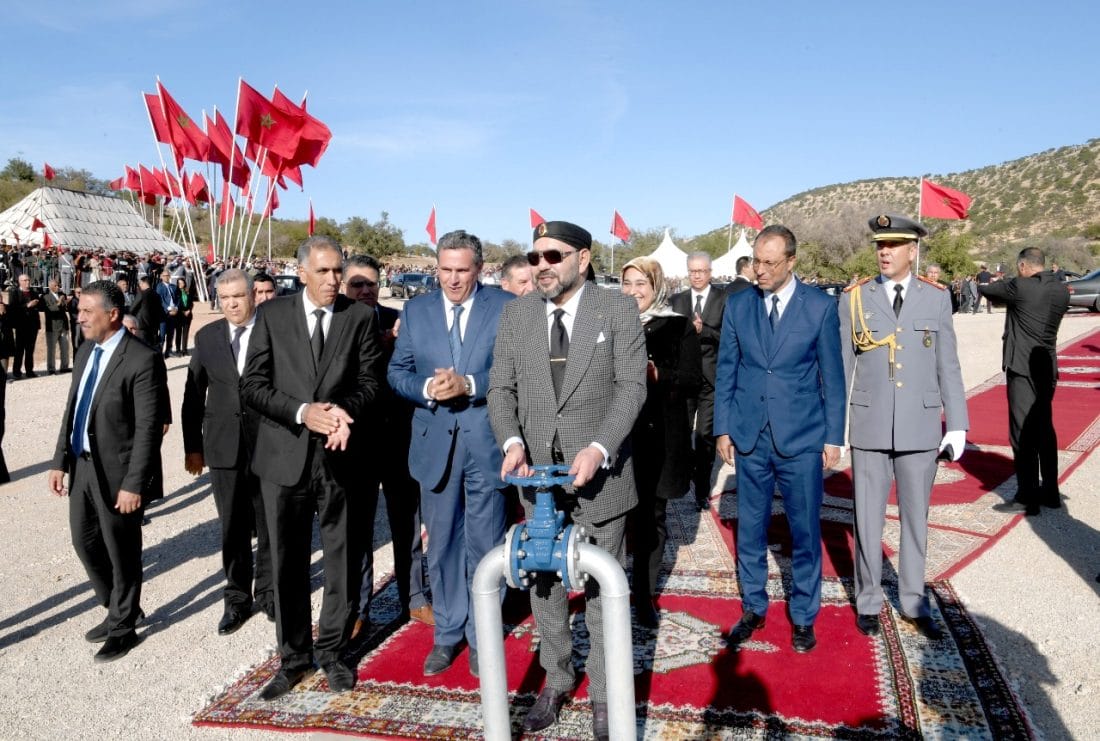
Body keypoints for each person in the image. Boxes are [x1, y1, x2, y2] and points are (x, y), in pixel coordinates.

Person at [488, 220, 647, 740]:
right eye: (534, 258)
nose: (541, 267)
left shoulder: (617, 309)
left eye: (552, 256)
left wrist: (599, 449)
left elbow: (630, 390)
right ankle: (557, 678)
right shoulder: (516, 316)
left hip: (601, 480)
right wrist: (512, 442)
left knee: (601, 588)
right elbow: (501, 390)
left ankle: (604, 693)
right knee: (544, 583)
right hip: (537, 480)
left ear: (582, 257)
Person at [240, 236, 381, 700]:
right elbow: (253, 387)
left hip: (341, 459)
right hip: (284, 458)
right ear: (301, 273)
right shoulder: (273, 315)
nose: (333, 280)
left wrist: (340, 413)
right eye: (322, 272)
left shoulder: (359, 316)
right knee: (287, 562)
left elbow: (369, 384)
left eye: (338, 271)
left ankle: (335, 653)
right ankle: (294, 658)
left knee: (341, 560)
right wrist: (303, 412)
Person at [715, 225, 845, 654]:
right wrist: (723, 427)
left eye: (770, 263)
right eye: (756, 261)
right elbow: (727, 371)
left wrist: (833, 436)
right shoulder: (738, 306)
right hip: (751, 437)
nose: (761, 271)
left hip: (802, 438)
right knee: (749, 528)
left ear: (792, 261)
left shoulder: (821, 308)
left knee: (804, 529)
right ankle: (753, 606)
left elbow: (833, 376)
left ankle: (804, 615)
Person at [388, 230, 512, 677]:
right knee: (440, 546)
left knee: (485, 545)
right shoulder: (417, 309)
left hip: (487, 442)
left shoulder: (503, 307)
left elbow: (512, 369)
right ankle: (447, 634)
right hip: (435, 443)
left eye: (462, 270)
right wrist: (426, 389)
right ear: (435, 267)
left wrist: (471, 385)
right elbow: (397, 371)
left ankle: (482, 637)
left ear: (480, 269)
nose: (453, 280)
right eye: (445, 269)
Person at [838, 214, 968, 640]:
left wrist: (958, 423)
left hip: (920, 425)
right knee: (867, 518)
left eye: (894, 245)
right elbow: (843, 367)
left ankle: (914, 601)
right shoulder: (855, 298)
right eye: (880, 245)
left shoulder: (935, 298)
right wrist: (833, 429)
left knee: (916, 519)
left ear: (913, 250)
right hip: (870, 424)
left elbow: (947, 363)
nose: (885, 252)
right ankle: (869, 600)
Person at [47, 280, 168, 661]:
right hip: (82, 466)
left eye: (87, 311)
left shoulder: (142, 359)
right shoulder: (86, 351)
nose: (79, 316)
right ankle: (118, 603)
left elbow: (149, 429)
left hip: (118, 474)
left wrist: (135, 484)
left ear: (112, 315)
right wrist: (58, 461)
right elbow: (73, 408)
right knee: (85, 543)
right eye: (79, 310)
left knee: (123, 551)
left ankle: (123, 626)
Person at [343, 254, 433, 638]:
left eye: (370, 284)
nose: (364, 290)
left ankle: (413, 596)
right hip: (355, 442)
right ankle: (358, 607)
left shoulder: (400, 321)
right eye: (356, 284)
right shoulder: (335, 323)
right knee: (357, 529)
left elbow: (415, 368)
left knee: (407, 523)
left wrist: (393, 346)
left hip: (398, 436)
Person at [182, 269, 274, 635]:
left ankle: (268, 594)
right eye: (225, 298)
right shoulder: (206, 338)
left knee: (269, 523)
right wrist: (193, 447)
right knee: (232, 527)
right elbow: (193, 395)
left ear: (252, 295)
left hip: (269, 443)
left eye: (238, 296)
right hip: (223, 447)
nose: (232, 304)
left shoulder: (273, 332)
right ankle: (237, 597)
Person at [620, 256, 701, 627]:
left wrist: (659, 373)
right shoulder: (610, 323)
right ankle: (610, 589)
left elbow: (692, 378)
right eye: (628, 283)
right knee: (615, 518)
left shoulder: (678, 326)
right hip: (616, 435)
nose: (634, 291)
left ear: (657, 287)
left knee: (651, 517)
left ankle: (643, 595)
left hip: (658, 434)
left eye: (642, 284)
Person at [980, 247, 1070, 515]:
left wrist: (995, 279)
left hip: (1022, 367)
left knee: (1023, 433)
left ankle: (1026, 497)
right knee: (1044, 429)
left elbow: (988, 290)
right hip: (1047, 366)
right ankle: (1051, 492)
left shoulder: (1021, 287)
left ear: (1022, 266)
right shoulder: (1060, 289)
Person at [669, 252, 729, 511]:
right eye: (692, 271)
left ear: (710, 272)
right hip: (684, 378)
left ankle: (702, 491)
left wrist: (703, 329)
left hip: (710, 380)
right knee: (681, 437)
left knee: (705, 437)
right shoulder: (677, 300)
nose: (696, 276)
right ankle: (687, 473)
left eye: (701, 271)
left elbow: (729, 336)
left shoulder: (724, 299)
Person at [8, 274, 41, 378]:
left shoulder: (34, 292)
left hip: (33, 325)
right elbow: (13, 308)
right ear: (20, 281)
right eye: (25, 280)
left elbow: (40, 307)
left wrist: (38, 303)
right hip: (21, 325)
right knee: (19, 350)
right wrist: (27, 305)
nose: (27, 282)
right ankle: (17, 372)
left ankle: (29, 371)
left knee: (30, 350)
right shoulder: (14, 293)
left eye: (28, 280)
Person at [42, 279, 71, 374]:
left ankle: (64, 366)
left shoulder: (62, 294)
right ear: (50, 286)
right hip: (52, 327)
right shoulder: (45, 297)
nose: (58, 287)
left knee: (65, 347)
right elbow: (51, 309)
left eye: (58, 285)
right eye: (55, 286)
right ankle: (51, 368)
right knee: (51, 349)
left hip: (63, 325)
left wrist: (66, 302)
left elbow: (65, 308)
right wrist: (59, 302)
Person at [130, 275, 165, 349]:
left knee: (141, 349)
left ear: (143, 282)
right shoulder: (157, 295)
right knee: (150, 348)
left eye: (140, 283)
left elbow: (132, 309)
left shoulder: (141, 294)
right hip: (153, 327)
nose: (139, 285)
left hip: (141, 326)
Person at [156, 269, 180, 357]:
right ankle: (159, 353)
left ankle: (168, 351)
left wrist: (176, 308)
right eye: (165, 275)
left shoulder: (173, 287)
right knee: (162, 335)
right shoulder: (159, 287)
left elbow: (178, 298)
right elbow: (160, 300)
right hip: (164, 314)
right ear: (161, 277)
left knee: (171, 333)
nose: (166, 277)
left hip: (174, 313)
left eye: (168, 275)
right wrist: (169, 309)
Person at [174, 277, 193, 355]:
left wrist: (189, 310)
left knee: (185, 333)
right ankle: (178, 349)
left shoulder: (188, 291)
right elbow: (175, 304)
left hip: (188, 315)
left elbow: (191, 303)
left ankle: (184, 350)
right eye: (179, 283)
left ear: (184, 283)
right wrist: (182, 311)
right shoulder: (176, 292)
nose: (180, 284)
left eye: (182, 283)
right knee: (178, 333)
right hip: (179, 315)